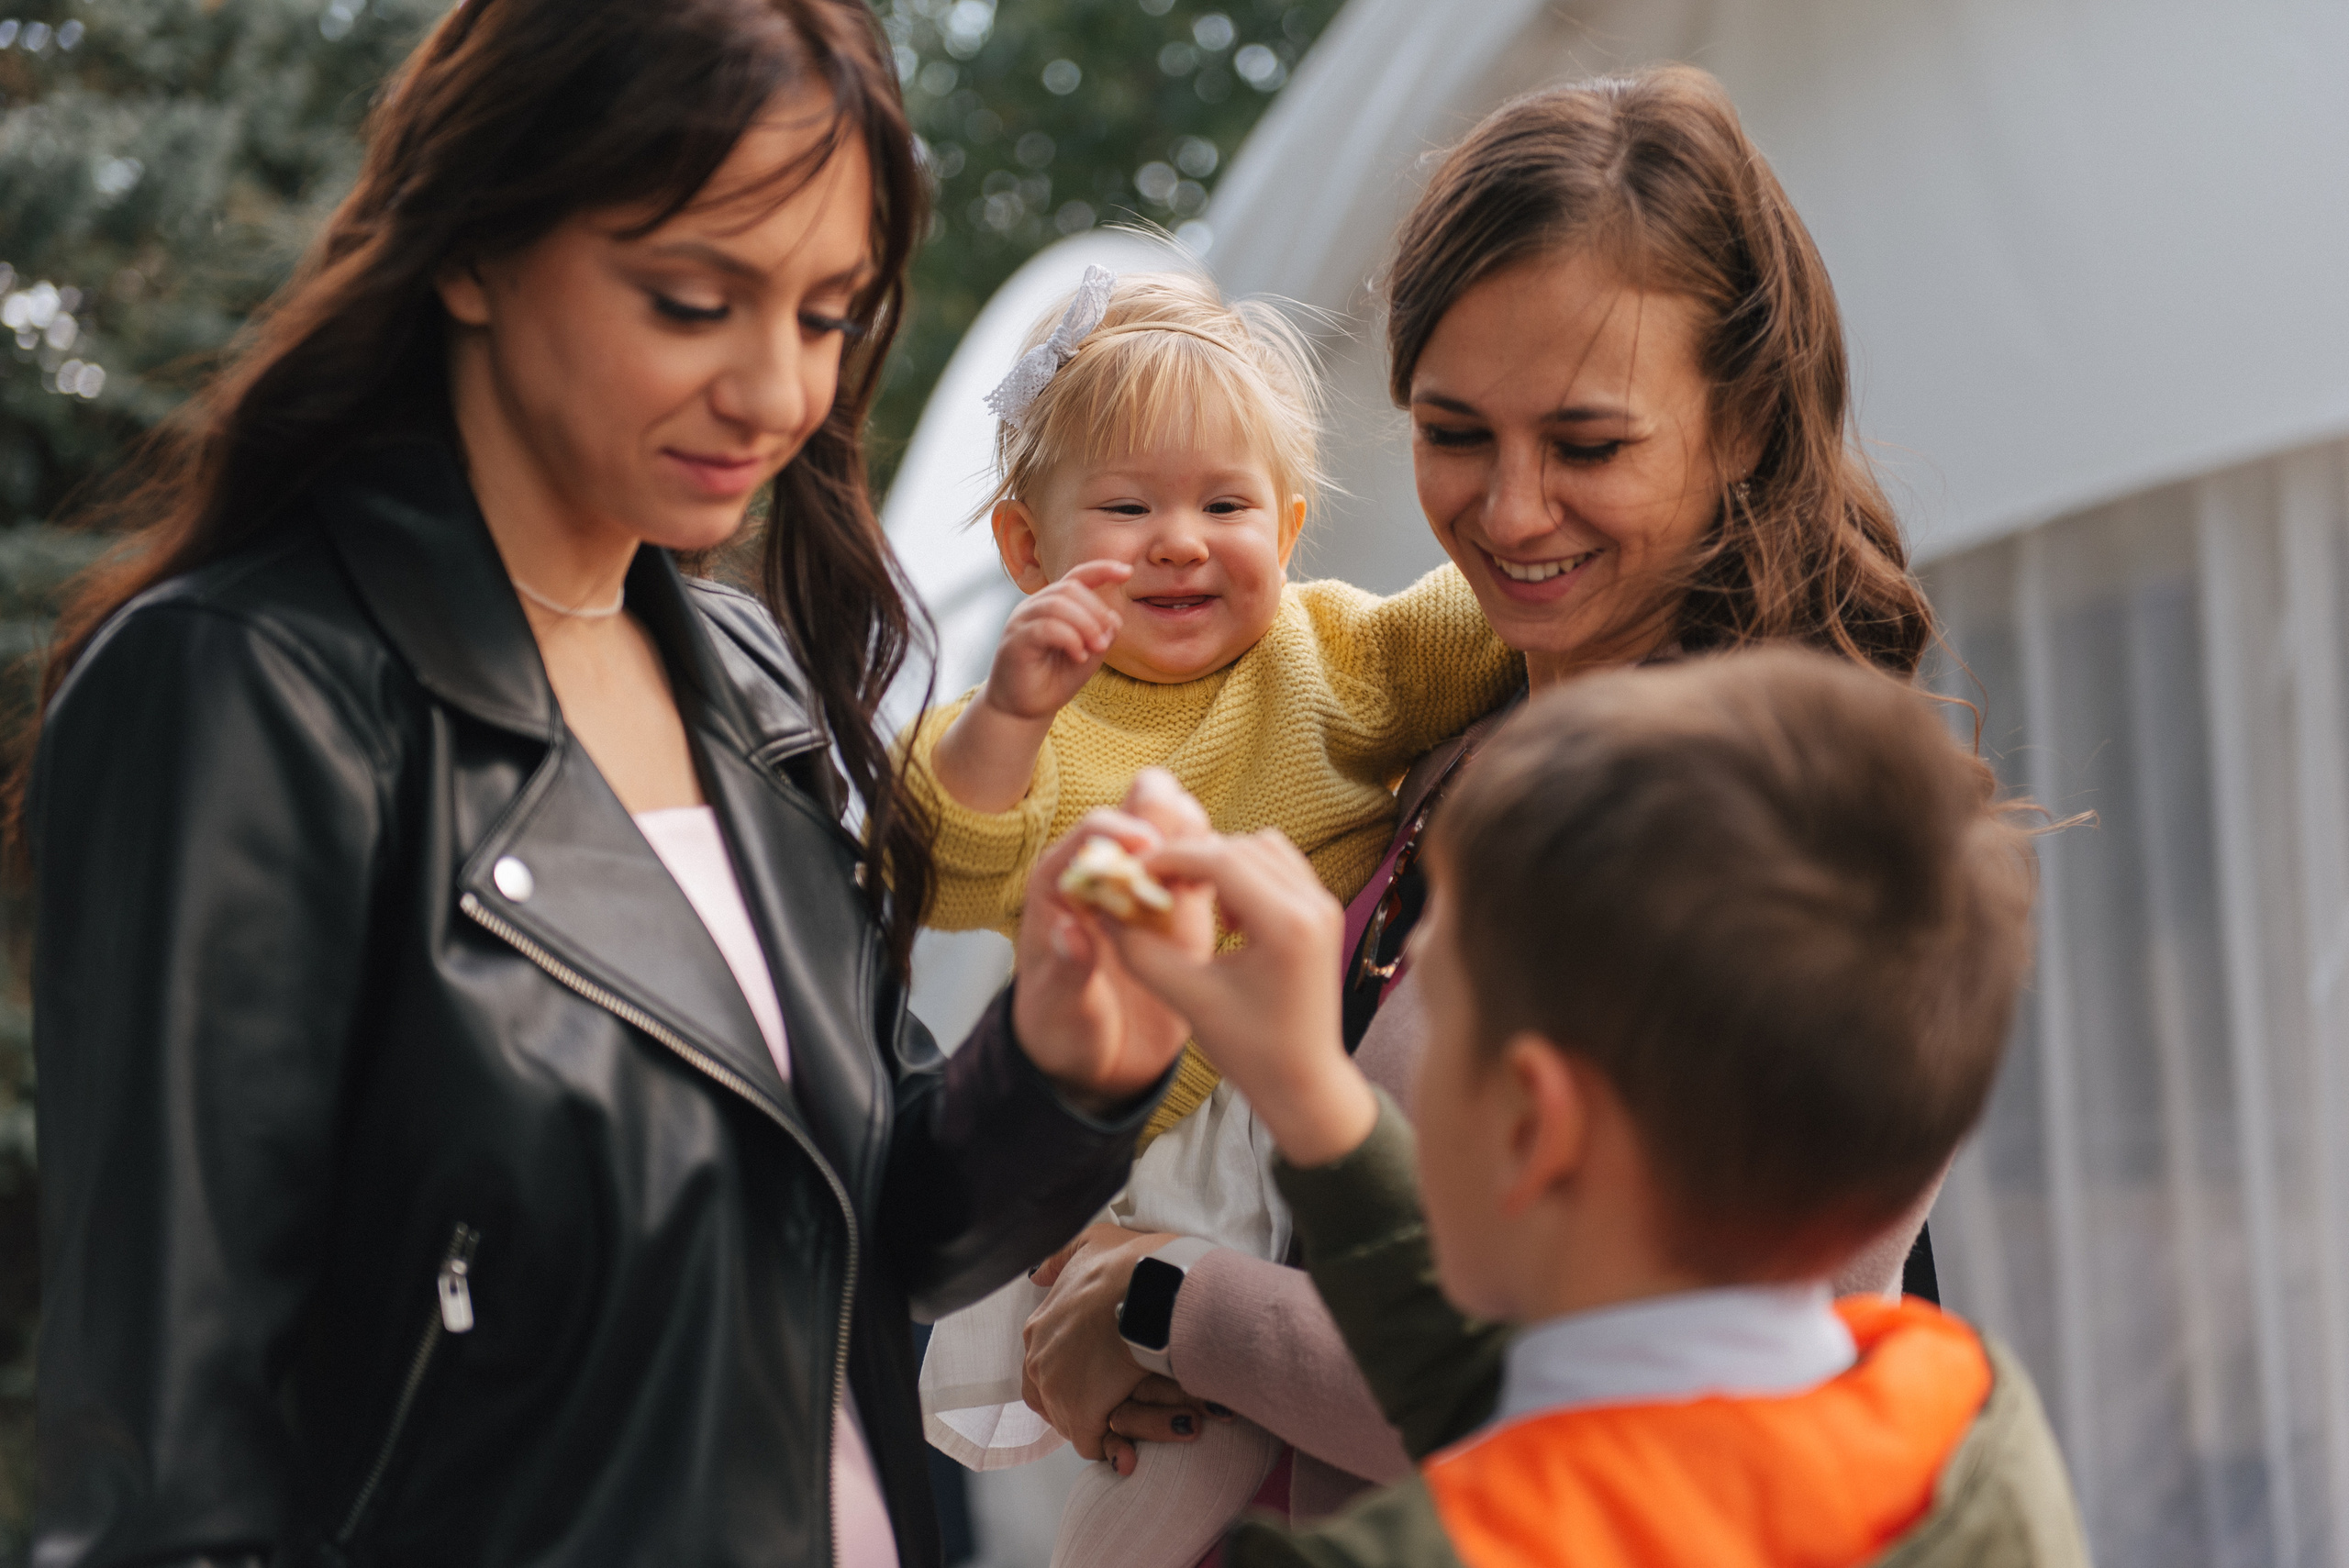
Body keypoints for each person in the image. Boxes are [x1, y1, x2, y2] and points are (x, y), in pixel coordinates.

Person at [23, 5, 1193, 1565]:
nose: (776, 392)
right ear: (473, 250)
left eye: (827, 314)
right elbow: (167, 1463)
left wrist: (1062, 1055)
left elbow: (861, 1232)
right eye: (695, 300)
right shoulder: (252, 692)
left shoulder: (748, 672)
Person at [1017, 64, 1954, 1529]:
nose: (1510, 513)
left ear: (1750, 422)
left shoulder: (1791, 842)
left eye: (1588, 445)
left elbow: (1649, 1422)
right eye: (1455, 433)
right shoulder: (1474, 732)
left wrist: (1167, 1300)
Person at [1109, 651, 2091, 1567]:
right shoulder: (1971, 1427)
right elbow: (1538, 1417)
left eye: (1424, 988)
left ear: (1533, 1122)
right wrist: (1303, 1089)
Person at [898, 267, 1520, 1567]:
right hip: (1152, 1157)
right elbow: (947, 868)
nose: (1182, 540)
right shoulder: (1048, 710)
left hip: (1329, 1115)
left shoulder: (1331, 653)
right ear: (1028, 549)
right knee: (1172, 1465)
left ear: (1288, 527)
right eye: (1127, 507)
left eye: (1226, 504)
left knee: (1313, 1434)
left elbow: (1487, 621)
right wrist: (1008, 715)